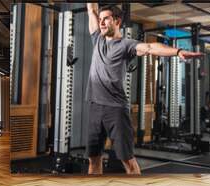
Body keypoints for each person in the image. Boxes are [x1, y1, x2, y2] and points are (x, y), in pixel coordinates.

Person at [86, 3, 202, 175]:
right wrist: (94, 12)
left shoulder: (126, 44)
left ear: (117, 21)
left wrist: (177, 52)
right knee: (93, 159)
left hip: (115, 110)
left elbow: (150, 47)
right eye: (100, 19)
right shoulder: (97, 39)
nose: (101, 23)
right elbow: (91, 9)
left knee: (128, 161)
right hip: (94, 107)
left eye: (106, 19)